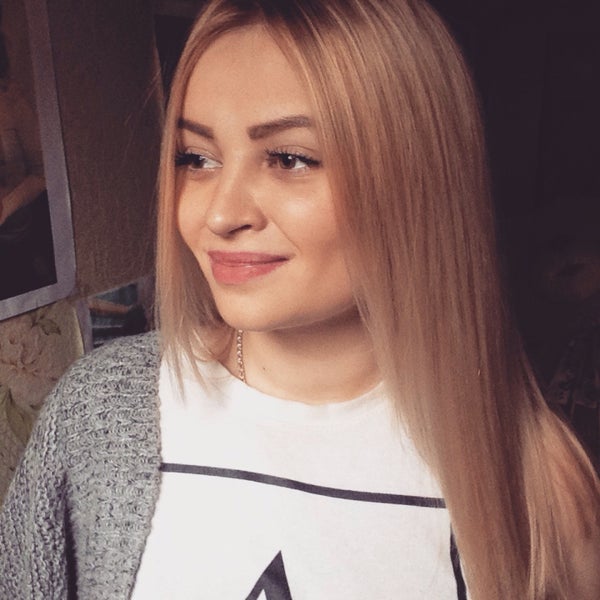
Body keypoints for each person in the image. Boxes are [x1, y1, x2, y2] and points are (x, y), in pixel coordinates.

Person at [1, 0, 599, 598]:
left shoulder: (540, 490)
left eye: (290, 159)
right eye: (197, 158)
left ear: (418, 181)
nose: (220, 214)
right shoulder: (100, 416)